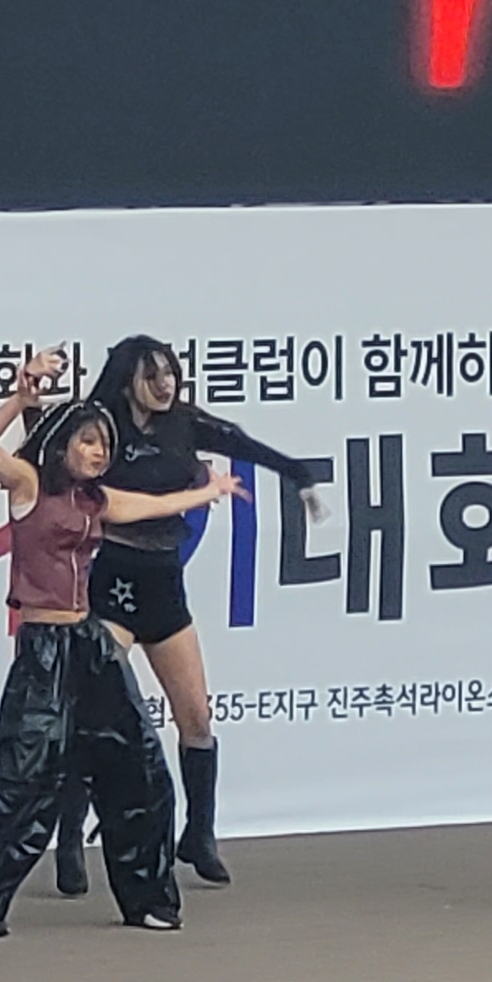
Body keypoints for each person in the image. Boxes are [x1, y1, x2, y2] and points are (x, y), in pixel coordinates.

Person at [0, 351, 243, 939]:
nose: (99, 452)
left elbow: (153, 506)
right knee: (27, 779)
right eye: (88, 442)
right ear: (63, 445)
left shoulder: (96, 501)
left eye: (104, 444)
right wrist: (20, 401)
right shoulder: (29, 485)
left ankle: (148, 898)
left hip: (90, 640)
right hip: (43, 647)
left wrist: (207, 491)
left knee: (140, 767)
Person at [62, 336, 325, 890]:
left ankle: (200, 833)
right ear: (127, 380)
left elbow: (239, 442)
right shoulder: (101, 424)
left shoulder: (183, 423)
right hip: (109, 581)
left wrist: (296, 471)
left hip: (164, 582)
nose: (165, 385)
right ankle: (69, 838)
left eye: (171, 375)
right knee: (98, 716)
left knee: (197, 717)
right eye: (152, 376)